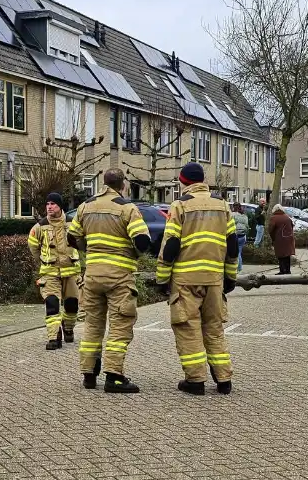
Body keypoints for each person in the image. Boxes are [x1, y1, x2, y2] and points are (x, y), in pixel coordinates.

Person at [156, 162, 238, 396]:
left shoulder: (180, 205)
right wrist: (230, 277)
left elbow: (170, 245)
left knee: (188, 327)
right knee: (213, 329)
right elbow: (232, 246)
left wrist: (162, 279)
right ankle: (224, 379)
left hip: (186, 279)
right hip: (214, 279)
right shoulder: (222, 205)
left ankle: (195, 380)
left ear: (183, 182)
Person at [68, 168, 151, 393]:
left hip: (93, 276)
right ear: (122, 185)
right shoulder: (127, 208)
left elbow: (71, 237)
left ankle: (88, 374)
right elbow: (142, 241)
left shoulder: (86, 206)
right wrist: (132, 253)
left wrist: (89, 252)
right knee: (119, 326)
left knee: (93, 325)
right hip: (119, 278)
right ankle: (114, 377)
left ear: (104, 183)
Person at [28, 193, 80, 350]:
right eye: (47, 204)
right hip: (50, 273)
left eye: (53, 204)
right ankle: (53, 337)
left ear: (60, 206)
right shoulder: (40, 227)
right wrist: (43, 261)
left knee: (72, 305)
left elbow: (83, 244)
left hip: (71, 272)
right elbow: (33, 246)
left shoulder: (73, 224)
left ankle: (68, 327)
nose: (49, 207)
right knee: (52, 304)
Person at [267, 204, 295, 275]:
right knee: (287, 255)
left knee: (280, 255)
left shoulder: (274, 218)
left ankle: (282, 270)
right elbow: (292, 226)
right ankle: (288, 270)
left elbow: (270, 230)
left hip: (279, 239)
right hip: (289, 238)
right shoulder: (287, 217)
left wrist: (273, 238)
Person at [232, 203, 248, 271]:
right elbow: (247, 226)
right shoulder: (245, 216)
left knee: (236, 253)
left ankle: (238, 268)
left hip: (235, 235)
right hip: (243, 236)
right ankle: (240, 268)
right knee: (239, 252)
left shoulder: (233, 215)